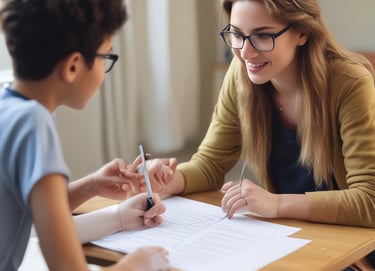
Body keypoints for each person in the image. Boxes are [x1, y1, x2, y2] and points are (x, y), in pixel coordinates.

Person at [142, 0, 375, 269]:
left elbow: (369, 200)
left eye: (263, 36)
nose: (245, 52)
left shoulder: (350, 82)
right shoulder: (242, 74)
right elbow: (209, 164)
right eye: (237, 35)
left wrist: (275, 204)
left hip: (356, 252)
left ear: (303, 32)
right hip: (294, 239)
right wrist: (168, 180)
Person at [0, 0, 170, 270]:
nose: (105, 72)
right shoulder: (34, 123)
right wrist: (139, 264)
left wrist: (92, 185)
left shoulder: (8, 108)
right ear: (73, 66)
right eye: (106, 58)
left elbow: (30, 213)